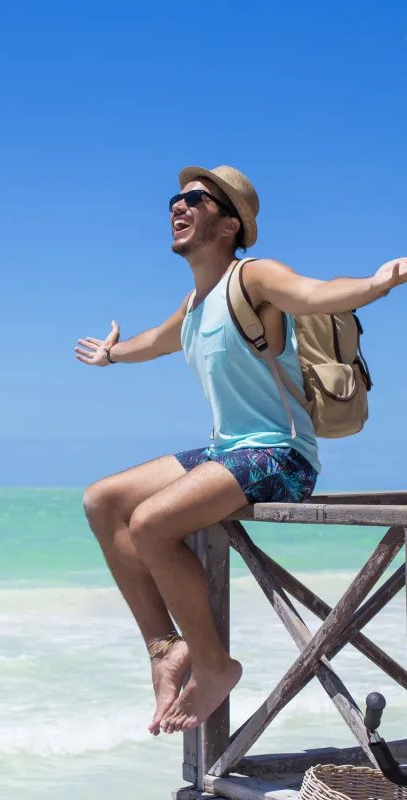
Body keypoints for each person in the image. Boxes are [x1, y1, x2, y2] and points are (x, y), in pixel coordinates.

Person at [74, 165, 406, 736]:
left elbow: (313, 294)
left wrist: (378, 284)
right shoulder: (196, 302)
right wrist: (112, 355)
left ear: (230, 223)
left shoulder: (253, 277)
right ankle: (164, 649)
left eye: (195, 200)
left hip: (282, 457)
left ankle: (214, 664)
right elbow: (154, 341)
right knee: (103, 500)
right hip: (227, 452)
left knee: (151, 522)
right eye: (175, 199)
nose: (178, 206)